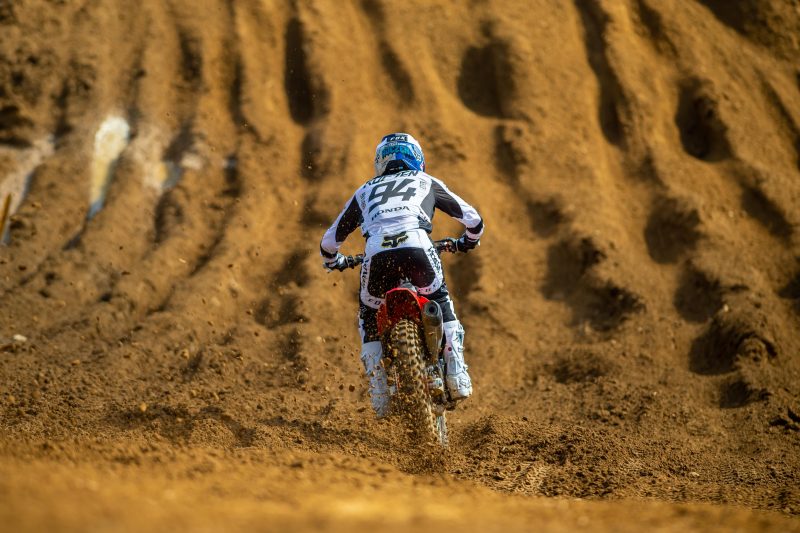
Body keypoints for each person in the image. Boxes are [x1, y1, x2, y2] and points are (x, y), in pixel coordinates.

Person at [320, 133, 484, 417]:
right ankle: (456, 373)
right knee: (440, 299)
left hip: (376, 255)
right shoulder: (424, 180)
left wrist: (335, 261)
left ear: (380, 162)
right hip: (417, 246)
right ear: (417, 158)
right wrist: (467, 242)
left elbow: (328, 243)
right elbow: (474, 221)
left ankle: (379, 393)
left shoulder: (364, 190)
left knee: (369, 316)